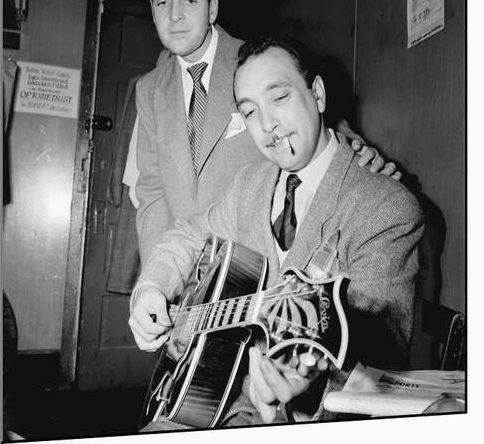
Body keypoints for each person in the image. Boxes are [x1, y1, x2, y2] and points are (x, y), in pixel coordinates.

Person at [128, 36, 424, 430]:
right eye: (249, 112)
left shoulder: (384, 206)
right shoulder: (250, 183)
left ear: (316, 94)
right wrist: (152, 286)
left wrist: (308, 381)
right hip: (208, 400)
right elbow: (188, 234)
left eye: (279, 98)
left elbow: (379, 354)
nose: (267, 125)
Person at [123, 0, 398, 264]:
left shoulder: (256, 60)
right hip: (186, 271)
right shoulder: (148, 89)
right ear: (152, 9)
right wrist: (159, 276)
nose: (175, 15)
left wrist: (361, 157)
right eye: (163, 2)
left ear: (212, 8)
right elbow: (152, 191)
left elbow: (321, 125)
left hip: (256, 266)